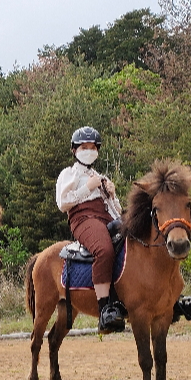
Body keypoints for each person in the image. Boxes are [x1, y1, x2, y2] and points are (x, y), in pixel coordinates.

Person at [55, 126, 127, 334]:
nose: (88, 150)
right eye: (83, 147)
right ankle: (105, 309)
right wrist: (88, 187)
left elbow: (117, 211)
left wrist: (112, 194)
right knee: (103, 249)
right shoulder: (69, 174)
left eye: (92, 147)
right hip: (83, 217)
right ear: (75, 150)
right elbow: (63, 203)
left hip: (107, 216)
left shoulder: (100, 177)